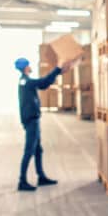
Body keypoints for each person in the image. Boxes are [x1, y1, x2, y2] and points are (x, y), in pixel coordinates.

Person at [14, 57, 74, 192]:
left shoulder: (25, 81)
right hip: (31, 120)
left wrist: (58, 73)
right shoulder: (26, 81)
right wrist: (58, 69)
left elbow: (44, 84)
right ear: (25, 67)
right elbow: (43, 82)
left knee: (38, 150)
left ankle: (41, 177)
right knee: (29, 150)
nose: (30, 67)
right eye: (28, 65)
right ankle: (22, 181)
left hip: (32, 119)